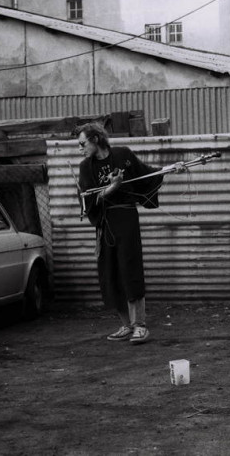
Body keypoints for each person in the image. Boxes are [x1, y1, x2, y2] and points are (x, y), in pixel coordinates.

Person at [75, 123, 183, 344]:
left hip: (126, 220)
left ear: (95, 139)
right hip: (105, 225)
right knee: (110, 273)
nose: (80, 149)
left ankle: (140, 326)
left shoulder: (123, 154)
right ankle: (126, 325)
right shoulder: (86, 167)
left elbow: (145, 174)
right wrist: (112, 188)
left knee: (130, 269)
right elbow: (87, 200)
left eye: (82, 144)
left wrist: (170, 168)